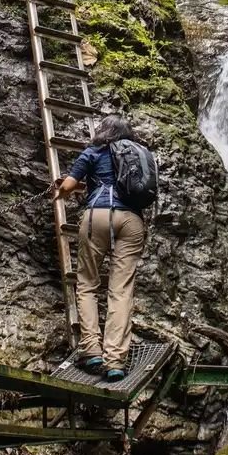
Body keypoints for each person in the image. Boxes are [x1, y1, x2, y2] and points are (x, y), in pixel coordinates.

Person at [53, 114, 148, 382]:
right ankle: (115, 360)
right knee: (121, 290)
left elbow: (69, 186)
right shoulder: (136, 154)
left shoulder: (93, 151)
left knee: (87, 283)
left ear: (104, 132)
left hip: (98, 216)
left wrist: (61, 189)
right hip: (131, 221)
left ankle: (92, 350)